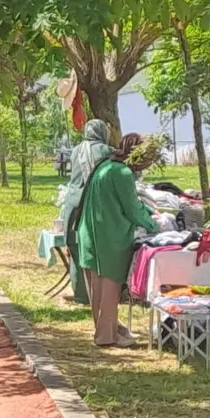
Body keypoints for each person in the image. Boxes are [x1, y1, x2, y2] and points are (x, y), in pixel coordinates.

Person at [67, 119, 158, 346]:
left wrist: (146, 210)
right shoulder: (122, 173)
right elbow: (132, 209)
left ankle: (109, 328)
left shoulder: (109, 166)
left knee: (98, 286)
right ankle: (106, 336)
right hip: (109, 236)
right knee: (110, 287)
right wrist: (155, 224)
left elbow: (126, 202)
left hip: (92, 231)